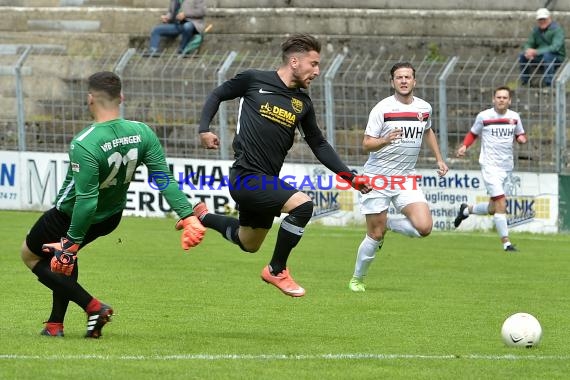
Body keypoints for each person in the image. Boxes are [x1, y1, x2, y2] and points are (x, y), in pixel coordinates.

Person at [20, 71, 206, 338]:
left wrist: (71, 243)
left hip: (71, 214)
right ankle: (54, 325)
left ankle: (93, 307)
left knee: (30, 255)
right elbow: (164, 179)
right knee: (61, 259)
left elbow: (85, 201)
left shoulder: (85, 143)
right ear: (121, 96)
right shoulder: (142, 132)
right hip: (110, 217)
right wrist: (187, 216)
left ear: (90, 99)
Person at [195, 33, 371, 298]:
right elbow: (218, 94)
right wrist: (204, 129)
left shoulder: (303, 103)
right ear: (294, 61)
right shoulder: (254, 79)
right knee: (303, 205)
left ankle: (203, 216)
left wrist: (350, 177)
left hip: (266, 181)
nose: (317, 71)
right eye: (313, 64)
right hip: (245, 176)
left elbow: (319, 144)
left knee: (248, 242)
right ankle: (277, 270)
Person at [347, 62, 449, 292]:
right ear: (392, 82)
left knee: (424, 227)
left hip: (405, 179)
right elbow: (366, 144)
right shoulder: (382, 109)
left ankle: (389, 224)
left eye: (408, 77)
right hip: (378, 179)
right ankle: (357, 279)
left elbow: (427, 130)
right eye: (399, 77)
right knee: (374, 234)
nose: (403, 81)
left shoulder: (424, 108)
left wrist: (439, 159)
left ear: (415, 81)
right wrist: (384, 140)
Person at [454, 86, 527, 251]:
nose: (501, 100)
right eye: (498, 97)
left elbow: (520, 134)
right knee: (501, 202)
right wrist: (464, 146)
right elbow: (473, 133)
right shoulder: (484, 116)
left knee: (493, 208)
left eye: (504, 97)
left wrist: (521, 138)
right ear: (493, 99)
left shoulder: (514, 117)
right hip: (489, 166)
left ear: (510, 101)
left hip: (507, 167)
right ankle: (506, 243)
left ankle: (466, 210)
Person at [519, 8, 565, 87]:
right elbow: (529, 43)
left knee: (547, 56)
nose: (542, 21)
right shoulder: (536, 31)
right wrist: (528, 51)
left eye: (544, 19)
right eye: (540, 19)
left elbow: (555, 47)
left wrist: (536, 52)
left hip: (556, 56)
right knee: (522, 55)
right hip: (540, 55)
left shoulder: (557, 30)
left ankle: (548, 83)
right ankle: (525, 81)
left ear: (549, 18)